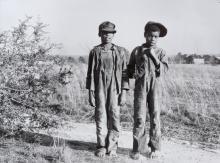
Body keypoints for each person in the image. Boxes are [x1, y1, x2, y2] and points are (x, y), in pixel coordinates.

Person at [86, 21, 129, 157]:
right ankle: (101, 146)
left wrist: (124, 92)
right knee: (100, 116)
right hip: (99, 88)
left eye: (110, 33)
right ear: (100, 34)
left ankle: (112, 146)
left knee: (114, 116)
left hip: (115, 89)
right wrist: (90, 92)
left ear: (113, 34)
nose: (107, 35)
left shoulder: (121, 51)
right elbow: (90, 73)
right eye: (104, 33)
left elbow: (125, 73)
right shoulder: (95, 51)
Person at [127, 21, 168, 159]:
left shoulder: (161, 52)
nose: (153, 39)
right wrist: (133, 74)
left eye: (156, 37)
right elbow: (130, 69)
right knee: (139, 118)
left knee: (155, 117)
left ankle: (155, 148)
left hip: (156, 88)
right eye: (150, 36)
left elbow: (164, 69)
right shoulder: (137, 51)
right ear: (145, 35)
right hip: (140, 88)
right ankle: (138, 149)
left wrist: (153, 55)